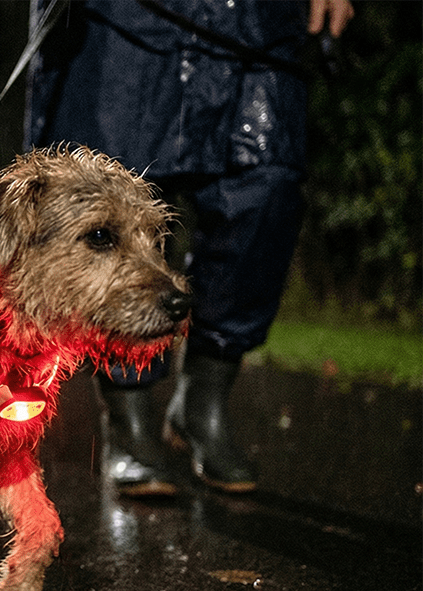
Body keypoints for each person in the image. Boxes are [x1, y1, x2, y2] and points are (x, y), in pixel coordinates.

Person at [25, 0, 353, 497]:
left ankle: (205, 402)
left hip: (254, 23)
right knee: (117, 191)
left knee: (267, 193)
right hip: (126, 17)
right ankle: (129, 420)